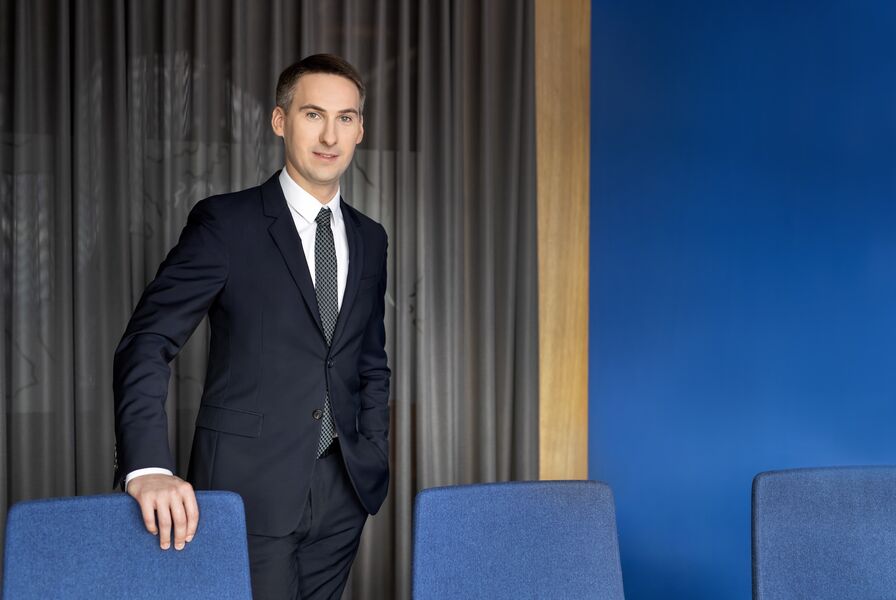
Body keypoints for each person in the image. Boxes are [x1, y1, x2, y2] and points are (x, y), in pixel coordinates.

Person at [113, 54, 390, 599]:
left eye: (346, 118)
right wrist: (147, 467)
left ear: (360, 129)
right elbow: (147, 342)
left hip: (344, 491)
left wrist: (373, 450)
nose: (330, 135)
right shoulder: (226, 224)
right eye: (313, 114)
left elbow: (368, 361)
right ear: (280, 120)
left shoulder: (371, 238)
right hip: (247, 493)